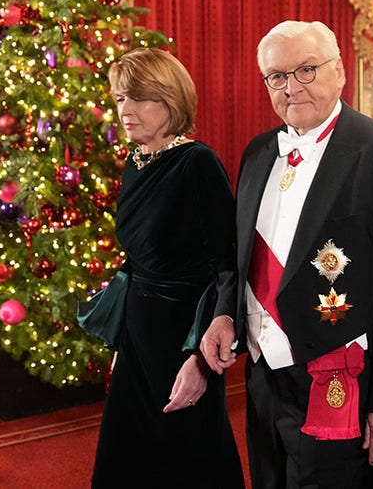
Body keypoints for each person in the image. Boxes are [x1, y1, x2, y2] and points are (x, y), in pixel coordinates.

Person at [199, 20, 373, 489]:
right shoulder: (258, 152)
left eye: (306, 70)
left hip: (341, 378)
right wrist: (225, 315)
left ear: (340, 71)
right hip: (264, 376)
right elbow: (239, 257)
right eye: (277, 77)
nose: (292, 87)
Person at [92, 48, 242, 487]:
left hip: (184, 338)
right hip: (138, 337)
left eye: (138, 98)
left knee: (188, 459)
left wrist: (200, 359)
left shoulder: (197, 163)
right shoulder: (135, 163)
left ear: (170, 100)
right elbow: (135, 262)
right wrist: (123, 338)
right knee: (127, 456)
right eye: (120, 98)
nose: (125, 110)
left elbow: (226, 267)